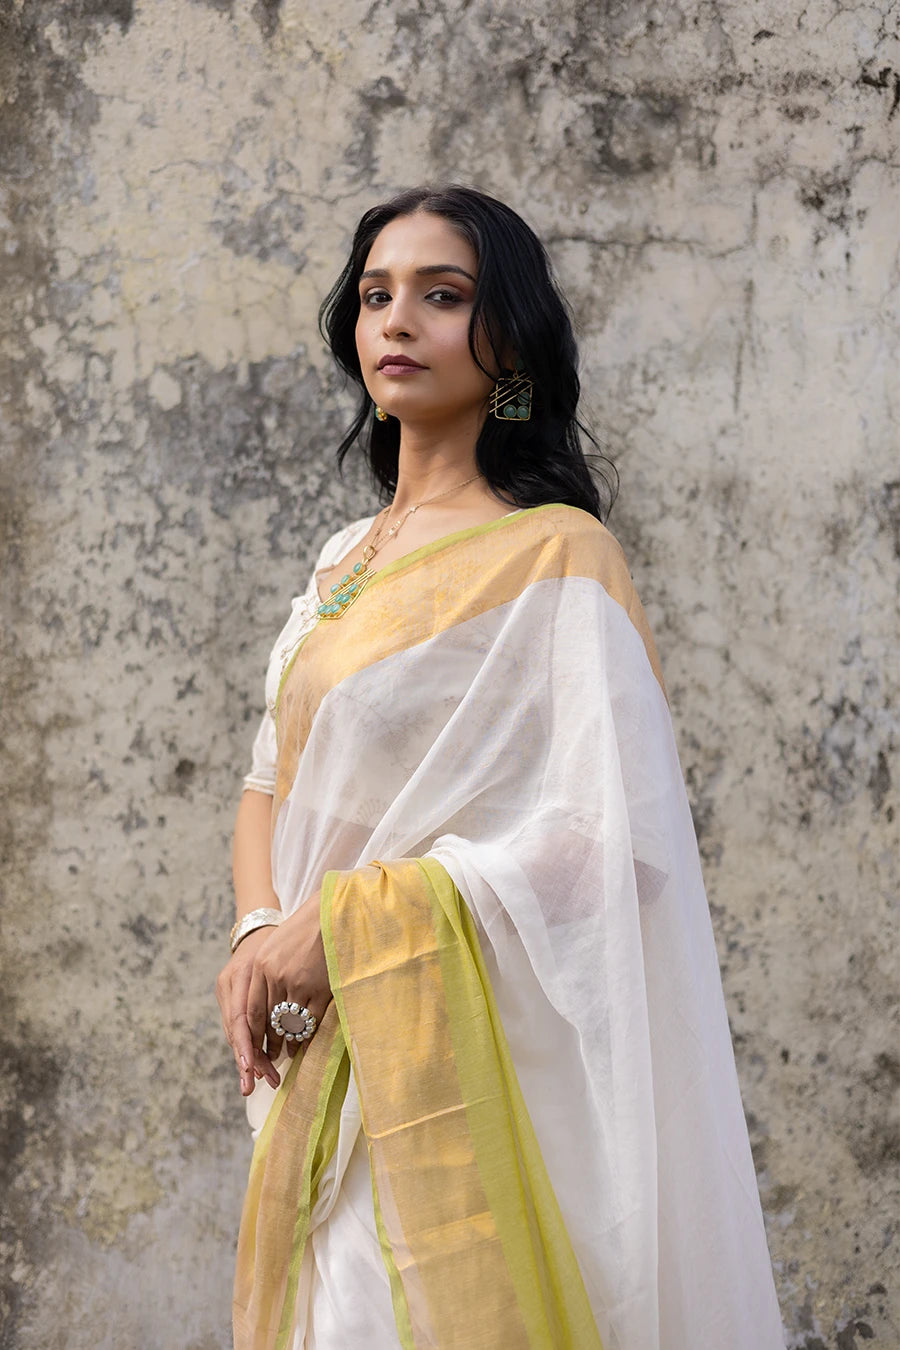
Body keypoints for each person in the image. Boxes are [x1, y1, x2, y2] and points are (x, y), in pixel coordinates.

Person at [216, 185, 785, 1350]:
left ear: (508, 343)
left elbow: (609, 837)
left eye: (443, 295)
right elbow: (270, 778)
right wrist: (259, 931)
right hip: (313, 1053)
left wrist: (350, 924)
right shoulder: (339, 565)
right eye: (377, 295)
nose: (397, 321)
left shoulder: (557, 558)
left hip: (465, 1066)